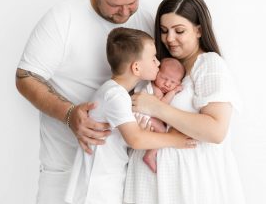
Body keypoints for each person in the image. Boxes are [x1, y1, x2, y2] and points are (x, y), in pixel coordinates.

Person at [15, 0, 154, 204]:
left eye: (131, 2)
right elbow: (25, 76)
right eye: (115, 4)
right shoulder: (63, 18)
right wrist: (69, 114)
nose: (125, 12)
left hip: (120, 173)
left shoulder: (145, 19)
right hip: (65, 167)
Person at [124, 0, 245, 204]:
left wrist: (156, 108)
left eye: (179, 31)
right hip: (149, 184)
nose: (169, 38)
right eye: (163, 31)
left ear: (199, 30)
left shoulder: (209, 65)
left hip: (188, 184)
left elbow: (215, 131)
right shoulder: (160, 67)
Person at [64, 27, 196, 204]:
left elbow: (124, 137)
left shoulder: (115, 93)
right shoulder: (115, 95)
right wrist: (175, 139)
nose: (158, 63)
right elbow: (136, 139)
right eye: (154, 59)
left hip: (104, 183)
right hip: (96, 188)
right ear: (136, 67)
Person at [134, 57, 186, 173]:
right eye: (164, 78)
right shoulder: (155, 89)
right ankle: (149, 155)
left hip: (144, 116)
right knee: (162, 132)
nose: (167, 84)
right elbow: (161, 106)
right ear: (157, 73)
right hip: (142, 116)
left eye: (173, 82)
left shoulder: (158, 88)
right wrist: (173, 91)